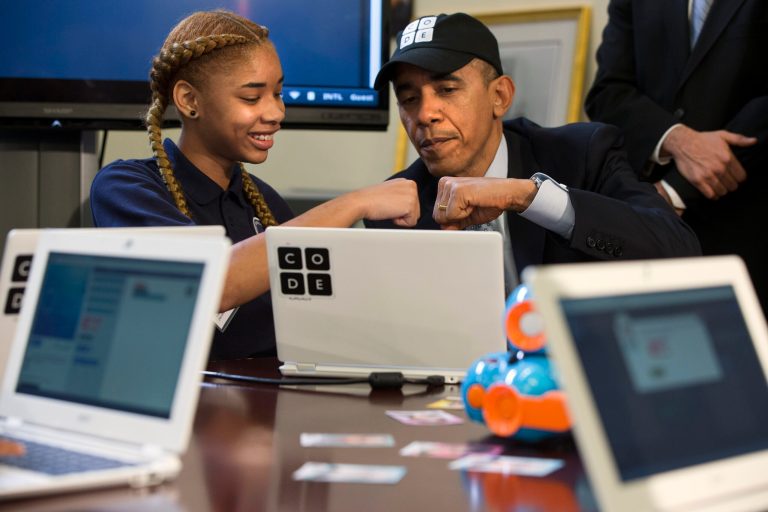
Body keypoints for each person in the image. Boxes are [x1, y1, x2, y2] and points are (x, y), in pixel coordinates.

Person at [91, 10, 419, 360]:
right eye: (251, 98)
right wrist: (354, 204)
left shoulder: (265, 202)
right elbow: (208, 284)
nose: (276, 113)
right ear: (189, 100)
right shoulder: (126, 187)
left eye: (277, 93)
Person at [367, 12, 700, 290]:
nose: (425, 114)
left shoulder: (582, 155)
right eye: (409, 98)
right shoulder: (397, 210)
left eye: (447, 89)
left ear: (500, 96)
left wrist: (530, 197)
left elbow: (678, 253)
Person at [585, 0, 767, 314]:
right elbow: (607, 93)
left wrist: (674, 191)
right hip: (646, 237)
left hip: (748, 234)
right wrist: (676, 138)